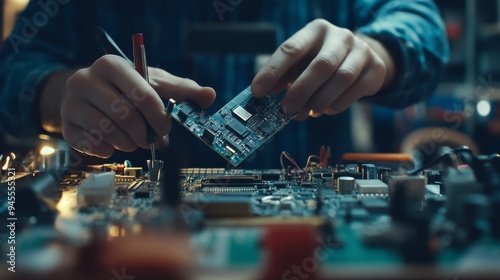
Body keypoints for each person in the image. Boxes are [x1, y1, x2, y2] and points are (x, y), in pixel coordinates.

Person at [0, 0, 449, 168]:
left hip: (309, 240)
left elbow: (420, 25)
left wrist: (379, 52)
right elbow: (12, 67)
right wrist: (57, 94)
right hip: (140, 243)